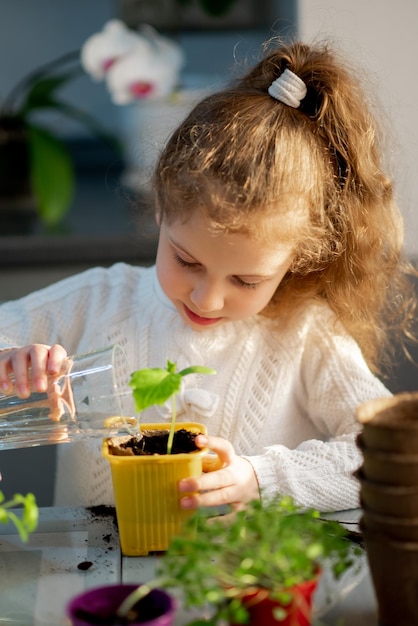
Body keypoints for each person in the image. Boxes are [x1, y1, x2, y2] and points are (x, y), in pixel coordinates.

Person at [0, 39, 416, 512]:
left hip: (242, 578)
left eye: (245, 281)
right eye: (187, 261)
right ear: (160, 208)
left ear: (296, 260)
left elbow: (390, 451)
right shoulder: (99, 299)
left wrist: (262, 477)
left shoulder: (306, 334)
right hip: (98, 577)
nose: (208, 299)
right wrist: (11, 360)